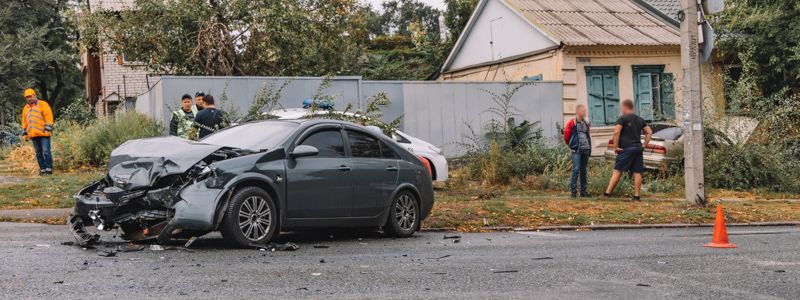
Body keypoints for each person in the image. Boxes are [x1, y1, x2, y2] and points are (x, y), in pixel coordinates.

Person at [604, 99, 653, 201]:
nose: (621, 109)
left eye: (621, 107)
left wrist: (615, 147)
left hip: (626, 149)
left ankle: (607, 194)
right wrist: (644, 145)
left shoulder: (622, 119)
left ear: (625, 107)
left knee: (617, 171)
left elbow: (616, 132)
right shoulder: (640, 119)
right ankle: (637, 196)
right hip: (638, 149)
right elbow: (649, 132)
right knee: (637, 172)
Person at [20, 88, 54, 175]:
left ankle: (49, 170)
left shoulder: (43, 104)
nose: (29, 98)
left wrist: (47, 129)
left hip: (44, 133)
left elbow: (49, 117)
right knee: (38, 153)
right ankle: (42, 170)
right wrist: (24, 133)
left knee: (46, 151)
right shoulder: (25, 108)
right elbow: (24, 121)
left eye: (30, 96)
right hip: (33, 134)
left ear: (34, 95)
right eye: (27, 97)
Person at [563, 104, 592, 198]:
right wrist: (571, 144)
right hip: (576, 150)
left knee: (583, 170)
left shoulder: (586, 123)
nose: (585, 112)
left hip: (586, 149)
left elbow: (587, 136)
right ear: (578, 112)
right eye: (583, 111)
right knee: (576, 169)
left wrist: (589, 147)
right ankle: (573, 192)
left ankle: (583, 192)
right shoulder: (572, 123)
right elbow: (566, 135)